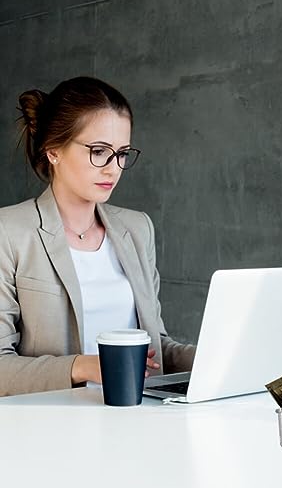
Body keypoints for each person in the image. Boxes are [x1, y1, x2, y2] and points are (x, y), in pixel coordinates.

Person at [0, 76, 195, 396]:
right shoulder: (9, 232)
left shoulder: (137, 229)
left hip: (137, 417)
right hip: (48, 425)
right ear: (53, 151)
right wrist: (85, 366)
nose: (113, 168)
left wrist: (217, 359)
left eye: (122, 153)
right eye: (99, 151)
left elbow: (156, 350)